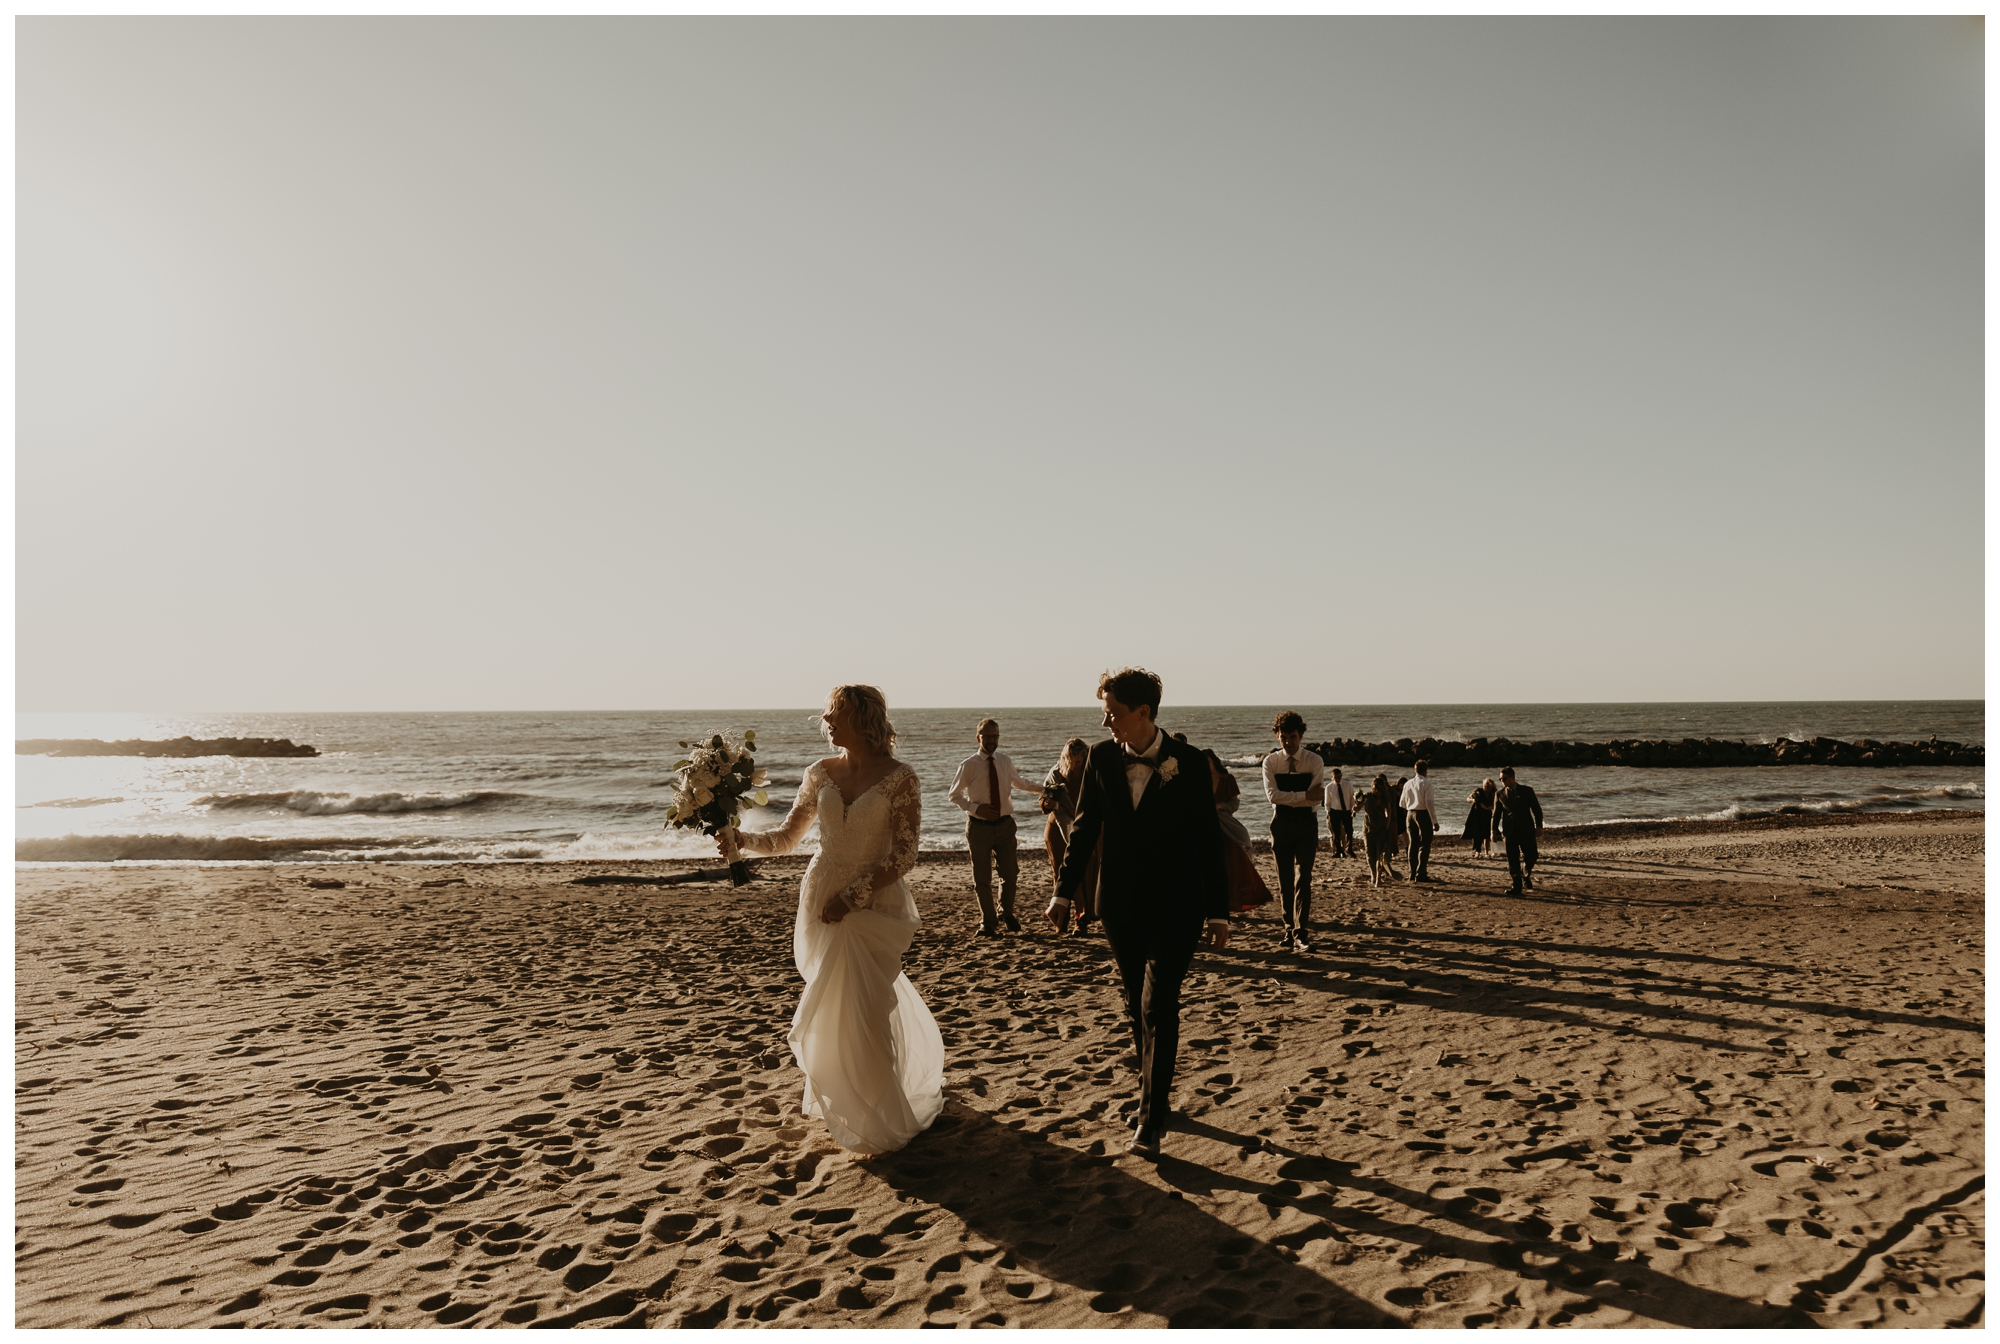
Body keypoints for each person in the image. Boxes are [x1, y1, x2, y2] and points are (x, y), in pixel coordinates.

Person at [722, 685, 944, 1156]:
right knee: (834, 1003)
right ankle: (844, 1101)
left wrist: (854, 896)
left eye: (835, 712)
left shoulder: (901, 778)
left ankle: (881, 1113)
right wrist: (740, 840)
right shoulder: (818, 773)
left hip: (874, 902)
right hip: (820, 897)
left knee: (866, 1005)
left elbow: (905, 856)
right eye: (828, 712)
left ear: (862, 720)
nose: (825, 719)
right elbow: (787, 838)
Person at [1054, 668, 1228, 1158]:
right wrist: (1064, 893)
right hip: (1120, 905)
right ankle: (1154, 1096)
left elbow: (1206, 841)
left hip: (1178, 905)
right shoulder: (1102, 758)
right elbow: (1085, 827)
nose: (1106, 720)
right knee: (1135, 1004)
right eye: (1104, 711)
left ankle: (1151, 1121)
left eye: (1113, 711)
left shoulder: (1188, 763)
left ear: (1143, 712)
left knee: (1158, 1005)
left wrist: (1218, 912)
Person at [947, 718, 1046, 936]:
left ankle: (1006, 912)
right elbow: (954, 795)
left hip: (1005, 826)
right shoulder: (968, 765)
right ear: (978, 737)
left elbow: (1020, 783)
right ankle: (988, 922)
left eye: (995, 736)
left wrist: (1046, 789)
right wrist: (975, 808)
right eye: (987, 736)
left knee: (1010, 874)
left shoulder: (1004, 761)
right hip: (978, 827)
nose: (992, 740)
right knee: (982, 879)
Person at [1261, 712, 1326, 953]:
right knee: (1284, 880)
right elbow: (1272, 797)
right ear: (1278, 736)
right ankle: (1288, 928)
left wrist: (1294, 799)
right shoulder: (1271, 762)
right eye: (1284, 737)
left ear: (1301, 736)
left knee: (1304, 878)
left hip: (1307, 824)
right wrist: (1301, 796)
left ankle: (1301, 932)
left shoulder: (1314, 761)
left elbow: (1315, 800)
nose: (1288, 742)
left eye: (1293, 737)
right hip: (1281, 823)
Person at [1042, 738, 1101, 936]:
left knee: (1086, 872)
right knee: (1060, 873)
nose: (1077, 765)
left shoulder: (1091, 773)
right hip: (1058, 826)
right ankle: (1061, 919)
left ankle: (1082, 919)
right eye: (1074, 761)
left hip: (1086, 826)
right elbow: (1045, 800)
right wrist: (1047, 804)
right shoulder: (1056, 773)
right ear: (1066, 759)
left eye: (1081, 761)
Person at [1206, 748, 1271, 915]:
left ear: (1214, 761)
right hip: (1206, 826)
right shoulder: (1198, 780)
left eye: (1207, 762)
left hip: (1225, 827)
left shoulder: (1227, 779)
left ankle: (1234, 901)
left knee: (1233, 867)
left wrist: (1219, 806)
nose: (1205, 766)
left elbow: (1234, 805)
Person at [1492, 766, 1545, 894]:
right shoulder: (1499, 794)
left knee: (1532, 855)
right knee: (1512, 859)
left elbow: (1537, 810)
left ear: (1512, 778)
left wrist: (1539, 826)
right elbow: (1496, 814)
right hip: (1509, 831)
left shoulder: (1527, 791)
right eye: (1500, 779)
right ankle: (1516, 887)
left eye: (1504, 779)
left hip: (1526, 829)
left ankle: (1525, 872)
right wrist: (1493, 831)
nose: (1502, 781)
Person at [1400, 760, 1439, 882]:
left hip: (1410, 813)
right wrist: (1434, 821)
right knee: (1425, 843)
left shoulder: (1407, 784)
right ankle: (1421, 873)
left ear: (1415, 770)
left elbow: (1401, 803)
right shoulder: (1427, 784)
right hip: (1422, 813)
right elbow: (1429, 804)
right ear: (1425, 771)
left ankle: (1412, 872)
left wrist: (1410, 809)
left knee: (1413, 843)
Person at [1359, 773, 1401, 888]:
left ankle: (1378, 877)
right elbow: (1357, 808)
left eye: (1378, 789)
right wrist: (1356, 803)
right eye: (1374, 789)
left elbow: (1388, 811)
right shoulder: (1367, 797)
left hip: (1381, 829)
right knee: (1369, 853)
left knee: (1380, 854)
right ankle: (1372, 874)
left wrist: (1387, 825)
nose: (1376, 791)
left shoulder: (1386, 797)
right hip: (1368, 829)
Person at [1327, 766, 1356, 858]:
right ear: (1332, 777)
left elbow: (1352, 798)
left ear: (1341, 776)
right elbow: (1327, 802)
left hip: (1346, 811)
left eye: (1339, 777)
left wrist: (1353, 809)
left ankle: (1349, 848)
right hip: (1334, 811)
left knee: (1349, 831)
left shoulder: (1348, 785)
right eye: (1336, 777)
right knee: (1336, 833)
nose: (1338, 779)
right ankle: (1339, 850)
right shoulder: (1329, 787)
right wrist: (1328, 812)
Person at [1464, 779, 1497, 855]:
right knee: (1477, 833)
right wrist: (1473, 800)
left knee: (1487, 833)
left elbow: (1496, 804)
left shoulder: (1493, 793)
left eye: (1489, 787)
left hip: (1487, 814)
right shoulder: (1478, 791)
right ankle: (1477, 851)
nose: (1487, 789)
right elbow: (1468, 798)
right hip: (1477, 814)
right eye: (1486, 787)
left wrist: (1489, 808)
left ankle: (1486, 852)